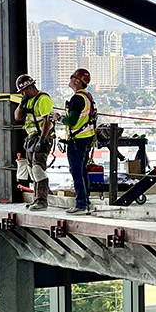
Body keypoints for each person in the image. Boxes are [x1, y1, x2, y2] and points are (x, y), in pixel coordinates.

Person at [14, 73, 54, 211]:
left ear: (30, 87)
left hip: (42, 137)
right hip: (31, 138)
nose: (23, 93)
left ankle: (42, 201)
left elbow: (48, 121)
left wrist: (43, 139)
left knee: (38, 170)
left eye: (24, 90)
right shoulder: (29, 100)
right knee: (32, 170)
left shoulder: (43, 99)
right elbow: (18, 117)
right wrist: (21, 103)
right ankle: (37, 199)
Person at [63, 68, 97, 214]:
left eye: (72, 77)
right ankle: (85, 199)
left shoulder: (77, 98)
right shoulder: (87, 96)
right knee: (82, 171)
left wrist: (59, 118)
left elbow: (71, 120)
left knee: (76, 171)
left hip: (77, 140)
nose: (70, 80)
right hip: (86, 139)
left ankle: (81, 204)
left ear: (77, 81)